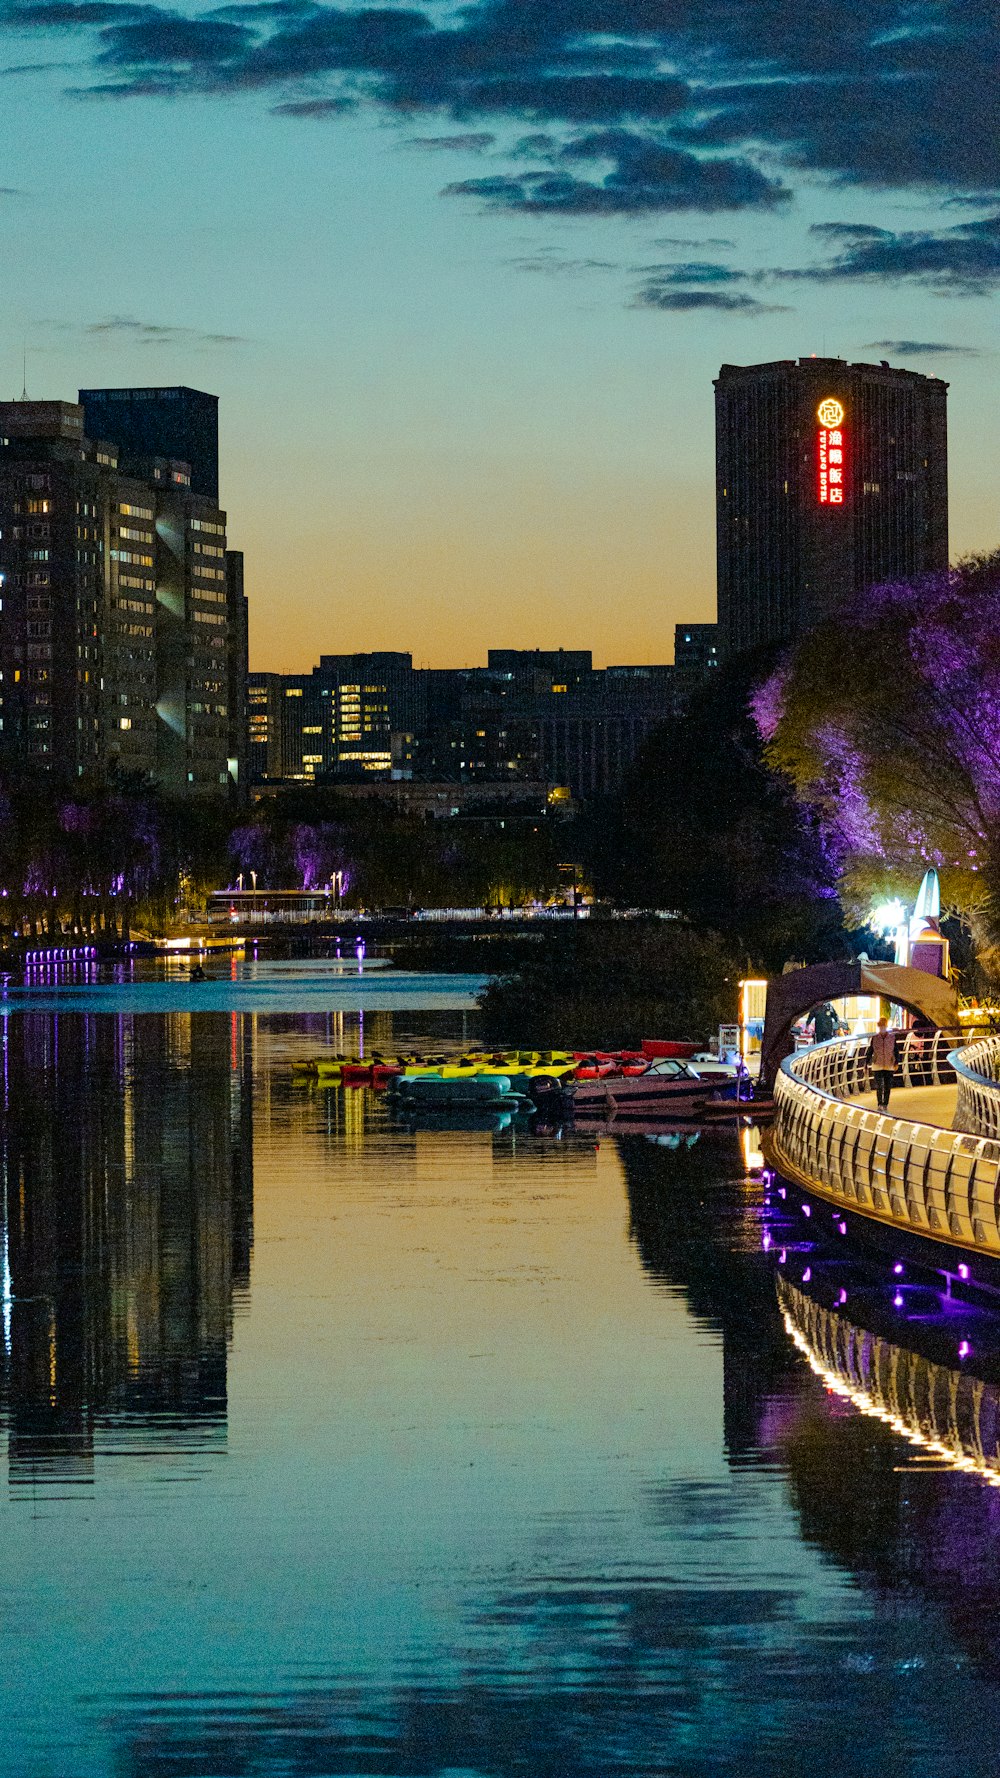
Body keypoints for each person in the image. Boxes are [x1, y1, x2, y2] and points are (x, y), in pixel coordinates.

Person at [866, 1017, 898, 1110]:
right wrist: (867, 1062)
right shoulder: (875, 1038)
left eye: (883, 1026)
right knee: (879, 1086)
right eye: (880, 1027)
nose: (882, 1028)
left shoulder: (892, 1038)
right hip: (877, 1064)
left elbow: (896, 1050)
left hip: (889, 1064)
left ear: (886, 1026)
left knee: (887, 1086)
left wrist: (896, 1062)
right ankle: (880, 1103)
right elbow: (870, 1050)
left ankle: (885, 1103)